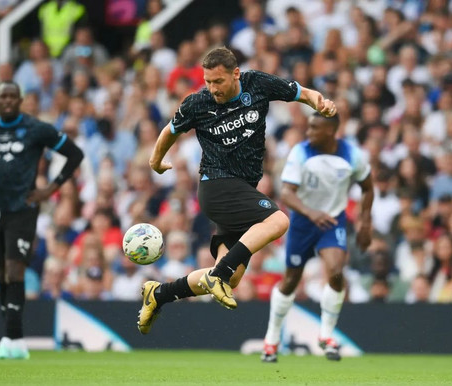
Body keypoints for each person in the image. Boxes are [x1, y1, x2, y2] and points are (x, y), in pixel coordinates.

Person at [137, 47, 336, 334]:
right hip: (216, 185)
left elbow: (303, 93)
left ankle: (159, 294)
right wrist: (155, 161)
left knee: (232, 280)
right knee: (279, 220)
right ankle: (220, 273)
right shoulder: (197, 103)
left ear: (236, 74)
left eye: (218, 81)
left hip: (242, 190)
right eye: (207, 81)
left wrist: (320, 103)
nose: (212, 88)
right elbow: (170, 130)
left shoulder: (258, 84)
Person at [0, 81, 83, 360]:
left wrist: (50, 189)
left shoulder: (36, 128)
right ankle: (15, 339)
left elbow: (74, 154)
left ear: (20, 100)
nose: (6, 100)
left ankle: (9, 337)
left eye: (11, 96)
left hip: (24, 208)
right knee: (3, 271)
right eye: (2, 96)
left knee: (16, 270)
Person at [261, 113, 374, 362]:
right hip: (303, 222)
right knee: (291, 280)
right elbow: (287, 193)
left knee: (335, 271)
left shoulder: (351, 155)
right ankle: (271, 338)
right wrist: (311, 213)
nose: (309, 132)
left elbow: (368, 187)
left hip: (332, 221)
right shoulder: (300, 152)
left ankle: (326, 335)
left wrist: (365, 222)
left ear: (331, 131)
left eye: (315, 128)